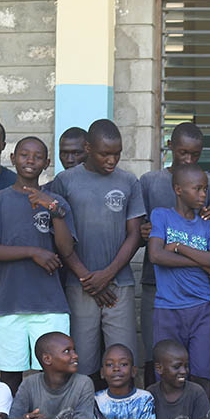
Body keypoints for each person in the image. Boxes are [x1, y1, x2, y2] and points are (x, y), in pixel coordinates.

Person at [0, 136, 76, 396]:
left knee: (56, 375)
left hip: (50, 303)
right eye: (24, 155)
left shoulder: (56, 202)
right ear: (12, 159)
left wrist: (54, 211)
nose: (30, 160)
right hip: (9, 304)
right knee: (10, 376)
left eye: (37, 156)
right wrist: (33, 252)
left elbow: (66, 250)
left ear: (46, 163)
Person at [48, 119, 144, 385]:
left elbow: (134, 234)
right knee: (81, 362)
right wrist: (87, 277)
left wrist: (107, 275)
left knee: (123, 360)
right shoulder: (65, 181)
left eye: (117, 153)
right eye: (105, 154)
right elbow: (60, 237)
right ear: (88, 148)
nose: (111, 160)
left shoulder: (128, 181)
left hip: (119, 285)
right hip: (79, 285)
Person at [140, 122, 210, 385]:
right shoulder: (157, 202)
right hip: (165, 300)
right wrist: (201, 261)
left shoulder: (208, 220)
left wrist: (177, 246)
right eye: (183, 153)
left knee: (201, 372)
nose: (203, 193)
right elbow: (155, 254)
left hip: (200, 304)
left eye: (204, 189)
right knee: (162, 366)